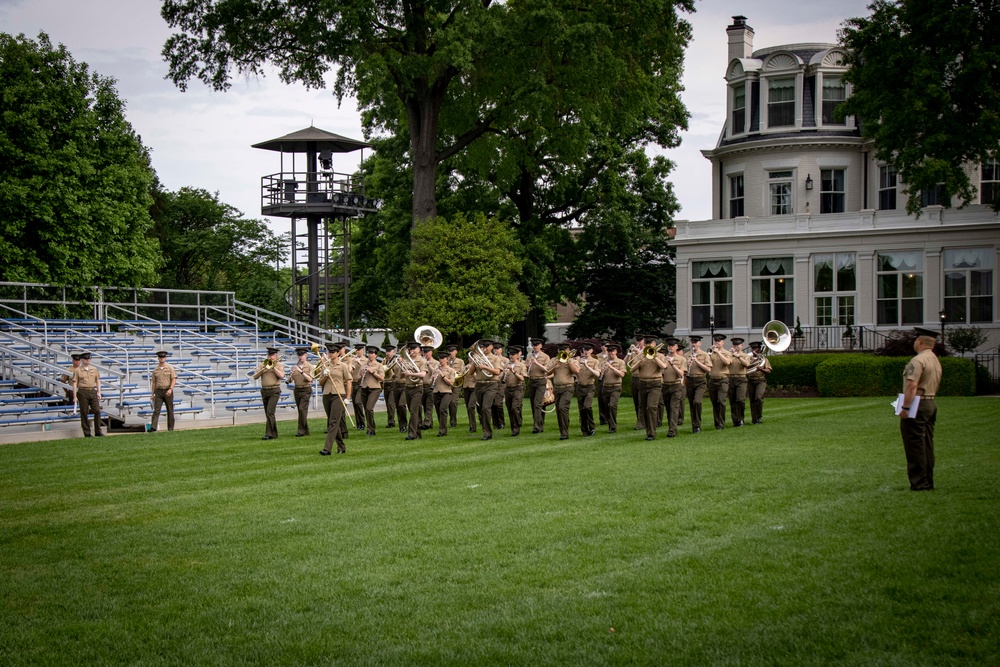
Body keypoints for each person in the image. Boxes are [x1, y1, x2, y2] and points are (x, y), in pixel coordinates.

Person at [899, 327, 943, 491]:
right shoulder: (934, 360)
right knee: (926, 444)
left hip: (918, 404)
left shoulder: (917, 361)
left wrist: (905, 407)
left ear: (920, 341)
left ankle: (919, 483)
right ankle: (927, 480)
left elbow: (912, 385)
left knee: (915, 444)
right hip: (930, 403)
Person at [631, 336, 668, 441]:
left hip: (655, 383)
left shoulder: (660, 355)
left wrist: (654, 356)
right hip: (642, 383)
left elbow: (664, 366)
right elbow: (632, 370)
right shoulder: (640, 356)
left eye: (650, 343)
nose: (648, 345)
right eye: (646, 343)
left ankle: (652, 433)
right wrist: (641, 360)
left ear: (654, 344)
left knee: (651, 407)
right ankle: (649, 431)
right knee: (644, 408)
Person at [319, 344, 353, 455]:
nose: (331, 354)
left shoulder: (343, 365)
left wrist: (348, 397)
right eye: (330, 352)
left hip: (339, 395)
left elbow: (348, 381)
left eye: (333, 352)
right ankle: (341, 446)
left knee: (333, 422)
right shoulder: (325, 365)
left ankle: (327, 448)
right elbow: (321, 383)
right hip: (327, 394)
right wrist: (325, 375)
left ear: (338, 353)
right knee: (333, 421)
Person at [470, 340, 502, 440]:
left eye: (487, 346)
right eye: (483, 346)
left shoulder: (495, 358)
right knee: (481, 409)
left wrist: (485, 367)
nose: (485, 348)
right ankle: (485, 429)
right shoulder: (479, 357)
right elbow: (471, 373)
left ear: (492, 347)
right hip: (479, 385)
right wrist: (474, 361)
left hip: (491, 384)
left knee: (485, 408)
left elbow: (497, 371)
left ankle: (487, 433)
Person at [544, 343, 577, 440]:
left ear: (568, 350)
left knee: (563, 408)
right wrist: (555, 365)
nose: (561, 351)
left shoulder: (572, 360)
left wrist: (568, 361)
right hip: (557, 388)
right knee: (559, 410)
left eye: (564, 349)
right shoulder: (554, 360)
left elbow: (576, 371)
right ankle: (563, 429)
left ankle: (564, 433)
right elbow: (547, 371)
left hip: (568, 387)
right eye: (560, 349)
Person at [253, 347, 285, 440]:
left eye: (272, 355)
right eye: (269, 355)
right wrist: (263, 369)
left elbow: (282, 376)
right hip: (264, 390)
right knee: (268, 413)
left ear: (276, 356)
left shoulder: (279, 365)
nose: (270, 357)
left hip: (274, 390)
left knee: (270, 411)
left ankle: (269, 434)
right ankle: (273, 434)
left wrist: (273, 367)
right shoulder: (263, 364)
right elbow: (255, 377)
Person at [401, 342, 428, 440]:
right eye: (410, 348)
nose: (412, 350)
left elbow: (423, 375)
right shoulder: (406, 360)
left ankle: (411, 434)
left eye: (414, 348)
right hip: (408, 387)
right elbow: (400, 375)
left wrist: (411, 374)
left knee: (413, 410)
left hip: (417, 387)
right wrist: (401, 365)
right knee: (413, 411)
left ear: (419, 350)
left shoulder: (422, 361)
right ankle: (418, 433)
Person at [72, 352, 103, 437]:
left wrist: (99, 392)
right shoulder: (77, 370)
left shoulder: (94, 369)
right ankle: (87, 433)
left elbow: (97, 380)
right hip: (82, 391)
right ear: (82, 360)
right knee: (84, 412)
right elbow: (75, 383)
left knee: (97, 411)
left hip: (92, 390)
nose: (88, 360)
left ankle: (98, 431)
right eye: (86, 359)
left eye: (89, 358)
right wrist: (75, 396)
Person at [660, 338, 685, 438]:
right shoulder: (663, 358)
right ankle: (672, 427)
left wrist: (672, 364)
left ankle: (672, 430)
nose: (671, 348)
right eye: (669, 346)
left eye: (673, 346)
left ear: (676, 347)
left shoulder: (681, 359)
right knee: (668, 408)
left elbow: (681, 374)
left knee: (674, 407)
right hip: (665, 385)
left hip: (676, 385)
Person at [574, 343, 601, 436]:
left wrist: (587, 366)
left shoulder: (595, 361)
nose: (586, 352)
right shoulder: (578, 361)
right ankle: (584, 430)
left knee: (587, 406)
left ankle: (592, 427)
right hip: (580, 386)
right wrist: (576, 363)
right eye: (584, 350)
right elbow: (573, 372)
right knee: (581, 409)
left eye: (588, 350)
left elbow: (597, 374)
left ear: (591, 351)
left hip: (589, 386)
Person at [685, 335, 710, 434]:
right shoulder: (686, 355)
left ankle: (698, 424)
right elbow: (683, 370)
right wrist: (686, 364)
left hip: (700, 380)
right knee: (692, 404)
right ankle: (695, 426)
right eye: (692, 342)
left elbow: (708, 369)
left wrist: (697, 362)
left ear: (700, 343)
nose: (694, 344)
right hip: (690, 380)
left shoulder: (704, 355)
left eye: (696, 342)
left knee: (697, 402)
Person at [707, 334, 732, 430]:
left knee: (721, 400)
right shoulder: (711, 353)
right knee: (714, 402)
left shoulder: (727, 353)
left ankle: (721, 422)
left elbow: (727, 363)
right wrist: (710, 353)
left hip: (723, 379)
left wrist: (719, 353)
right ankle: (717, 422)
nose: (717, 343)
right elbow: (707, 363)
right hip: (712, 380)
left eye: (719, 341)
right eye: (716, 341)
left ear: (723, 342)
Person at [599, 343, 626, 433]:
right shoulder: (603, 362)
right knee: (607, 407)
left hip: (616, 386)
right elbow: (599, 376)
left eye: (612, 352)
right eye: (609, 352)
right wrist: (602, 372)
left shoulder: (620, 362)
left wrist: (611, 367)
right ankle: (611, 424)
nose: (611, 354)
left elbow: (622, 374)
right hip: (605, 387)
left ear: (616, 352)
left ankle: (613, 426)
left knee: (612, 405)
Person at [359, 345, 385, 436]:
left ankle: (370, 429)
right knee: (366, 409)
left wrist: (373, 372)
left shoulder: (379, 365)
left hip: (375, 388)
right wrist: (362, 373)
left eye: (372, 353)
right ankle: (371, 427)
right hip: (364, 387)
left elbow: (382, 378)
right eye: (369, 353)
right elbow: (359, 376)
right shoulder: (363, 365)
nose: (370, 355)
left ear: (376, 355)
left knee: (369, 408)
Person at [526, 338, 550, 433]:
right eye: (533, 345)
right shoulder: (529, 356)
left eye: (537, 345)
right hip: (531, 380)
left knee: (537, 403)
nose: (535, 347)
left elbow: (547, 369)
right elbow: (526, 368)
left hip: (540, 381)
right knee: (533, 404)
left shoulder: (545, 357)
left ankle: (536, 426)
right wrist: (527, 365)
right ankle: (539, 423)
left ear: (541, 346)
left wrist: (536, 363)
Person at [150, 350, 178, 432]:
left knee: (170, 410)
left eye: (163, 357)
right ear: (158, 358)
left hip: (167, 389)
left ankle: (170, 428)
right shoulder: (155, 370)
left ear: (165, 358)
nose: (162, 359)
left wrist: (170, 389)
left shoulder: (169, 368)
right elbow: (154, 382)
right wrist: (152, 394)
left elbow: (173, 379)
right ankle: (153, 427)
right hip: (158, 391)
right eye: (160, 357)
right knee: (156, 410)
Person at [288, 347, 314, 437]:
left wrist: (301, 372)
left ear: (306, 355)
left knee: (302, 409)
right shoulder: (294, 366)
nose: (300, 357)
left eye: (302, 355)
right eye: (299, 355)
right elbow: (290, 380)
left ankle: (301, 431)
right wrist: (291, 375)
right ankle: (306, 430)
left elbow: (310, 379)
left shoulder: (310, 366)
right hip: (297, 389)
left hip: (306, 389)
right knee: (301, 410)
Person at [503, 345, 527, 436]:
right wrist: (504, 374)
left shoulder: (521, 365)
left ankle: (516, 427)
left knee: (515, 407)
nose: (511, 356)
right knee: (510, 409)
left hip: (518, 388)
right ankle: (513, 427)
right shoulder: (506, 365)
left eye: (513, 354)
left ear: (517, 355)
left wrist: (513, 372)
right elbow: (500, 377)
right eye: (510, 354)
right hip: (508, 388)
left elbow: (522, 378)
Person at [624, 334, 647, 430]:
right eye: (637, 340)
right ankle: (641, 419)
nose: (638, 342)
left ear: (644, 341)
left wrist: (640, 352)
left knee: (641, 401)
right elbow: (625, 362)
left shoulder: (647, 351)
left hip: (642, 377)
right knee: (636, 401)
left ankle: (641, 423)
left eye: (640, 340)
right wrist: (629, 353)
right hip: (634, 377)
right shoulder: (633, 351)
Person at [746, 341, 772, 425]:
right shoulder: (748, 359)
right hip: (751, 380)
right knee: (752, 400)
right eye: (752, 348)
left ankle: (759, 416)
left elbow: (769, 370)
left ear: (759, 349)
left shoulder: (763, 359)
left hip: (760, 380)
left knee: (758, 397)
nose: (754, 350)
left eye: (756, 348)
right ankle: (754, 419)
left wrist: (761, 369)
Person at [433, 350, 456, 436]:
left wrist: (442, 375)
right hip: (436, 392)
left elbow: (451, 383)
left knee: (443, 409)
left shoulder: (451, 370)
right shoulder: (436, 369)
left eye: (443, 358)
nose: (441, 360)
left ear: (447, 360)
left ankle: (442, 430)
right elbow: (430, 381)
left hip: (446, 392)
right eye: (440, 358)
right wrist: (432, 378)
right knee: (439, 411)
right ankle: (442, 427)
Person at [420, 345, 439, 430]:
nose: (426, 354)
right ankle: (428, 423)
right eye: (424, 352)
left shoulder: (436, 362)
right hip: (421, 386)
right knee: (422, 405)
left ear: (431, 352)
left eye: (427, 352)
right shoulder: (421, 361)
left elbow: (436, 372)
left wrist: (429, 365)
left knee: (429, 406)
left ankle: (427, 423)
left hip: (430, 386)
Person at [446, 345, 464, 428]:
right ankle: (448, 420)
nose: (451, 353)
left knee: (453, 402)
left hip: (456, 383)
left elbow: (463, 372)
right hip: (447, 383)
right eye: (449, 351)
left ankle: (453, 421)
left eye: (452, 351)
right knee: (448, 402)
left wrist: (453, 371)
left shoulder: (460, 361)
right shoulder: (446, 361)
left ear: (456, 352)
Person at [349, 344, 367, 431]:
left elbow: (366, 369)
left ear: (362, 350)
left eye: (359, 349)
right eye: (356, 350)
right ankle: (359, 423)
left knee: (358, 402)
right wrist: (351, 362)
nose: (357, 351)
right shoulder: (352, 360)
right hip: (353, 383)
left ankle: (362, 422)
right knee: (355, 405)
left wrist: (359, 362)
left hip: (361, 383)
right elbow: (350, 370)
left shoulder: (366, 360)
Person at [382, 344, 398, 430]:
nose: (387, 353)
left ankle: (391, 422)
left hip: (393, 383)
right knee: (387, 404)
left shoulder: (396, 361)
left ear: (393, 352)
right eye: (386, 351)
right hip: (386, 383)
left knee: (391, 403)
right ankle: (390, 420)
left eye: (389, 351)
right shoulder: (384, 361)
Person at [462, 351, 478, 432]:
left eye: (472, 358)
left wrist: (472, 372)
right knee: (468, 407)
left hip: (474, 388)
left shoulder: (477, 366)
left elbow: (478, 379)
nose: (470, 359)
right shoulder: (465, 366)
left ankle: (474, 425)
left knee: (471, 406)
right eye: (469, 358)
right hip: (466, 387)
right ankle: (471, 425)